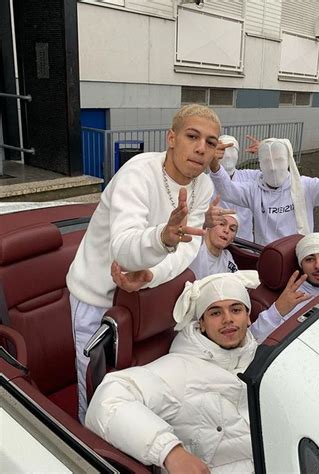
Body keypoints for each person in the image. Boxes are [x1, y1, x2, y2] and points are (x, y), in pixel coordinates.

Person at [67, 104, 221, 422]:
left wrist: (151, 273)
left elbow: (186, 250)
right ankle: (86, 444)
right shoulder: (138, 172)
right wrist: (162, 239)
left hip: (143, 296)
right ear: (171, 138)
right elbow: (123, 249)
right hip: (97, 296)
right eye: (192, 136)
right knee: (94, 385)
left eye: (210, 142)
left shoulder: (203, 186)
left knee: (134, 381)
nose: (201, 148)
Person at [85, 273, 259, 473]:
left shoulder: (261, 355)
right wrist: (169, 451)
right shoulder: (180, 369)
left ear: (248, 317)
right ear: (201, 323)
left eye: (235, 310)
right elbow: (108, 400)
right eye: (215, 313)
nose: (227, 319)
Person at [209, 137, 319, 246]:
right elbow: (227, 190)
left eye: (279, 160)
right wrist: (215, 164)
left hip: (298, 254)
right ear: (260, 164)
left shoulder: (303, 186)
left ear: (288, 161)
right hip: (265, 255)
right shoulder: (253, 189)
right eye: (267, 161)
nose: (273, 167)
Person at [251, 232, 319, 343]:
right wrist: (277, 311)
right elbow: (252, 340)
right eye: (309, 259)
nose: (318, 265)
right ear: (301, 265)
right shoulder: (292, 300)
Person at [216, 135, 259, 241]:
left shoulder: (250, 176)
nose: (228, 156)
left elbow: (275, 174)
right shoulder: (206, 181)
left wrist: (266, 151)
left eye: (233, 151)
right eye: (224, 151)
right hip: (217, 240)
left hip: (245, 242)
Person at [189, 213, 239, 279]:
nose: (226, 230)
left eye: (232, 229)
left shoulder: (227, 258)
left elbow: (236, 282)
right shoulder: (195, 245)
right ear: (209, 226)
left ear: (233, 239)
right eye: (222, 224)